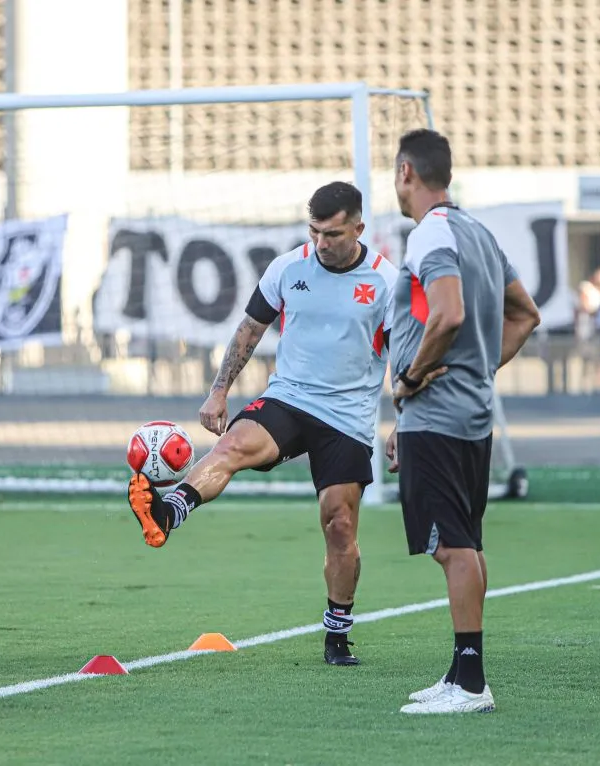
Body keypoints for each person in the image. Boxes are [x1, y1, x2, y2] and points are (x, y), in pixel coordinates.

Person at [127, 181, 419, 666]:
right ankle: (166, 514)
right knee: (230, 448)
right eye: (314, 232)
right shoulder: (288, 267)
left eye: (332, 233)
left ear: (359, 229)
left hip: (346, 418)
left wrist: (402, 425)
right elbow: (250, 329)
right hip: (289, 397)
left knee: (339, 524)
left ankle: (337, 635)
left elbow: (405, 358)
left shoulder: (387, 284)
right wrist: (219, 389)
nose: (321, 243)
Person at [385, 129, 541, 714]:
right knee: (466, 543)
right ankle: (460, 672)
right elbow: (525, 315)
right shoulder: (478, 232)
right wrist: (477, 369)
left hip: (440, 416)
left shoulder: (431, 233)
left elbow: (447, 314)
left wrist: (411, 380)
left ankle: (472, 683)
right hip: (469, 413)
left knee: (450, 547)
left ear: (407, 172)